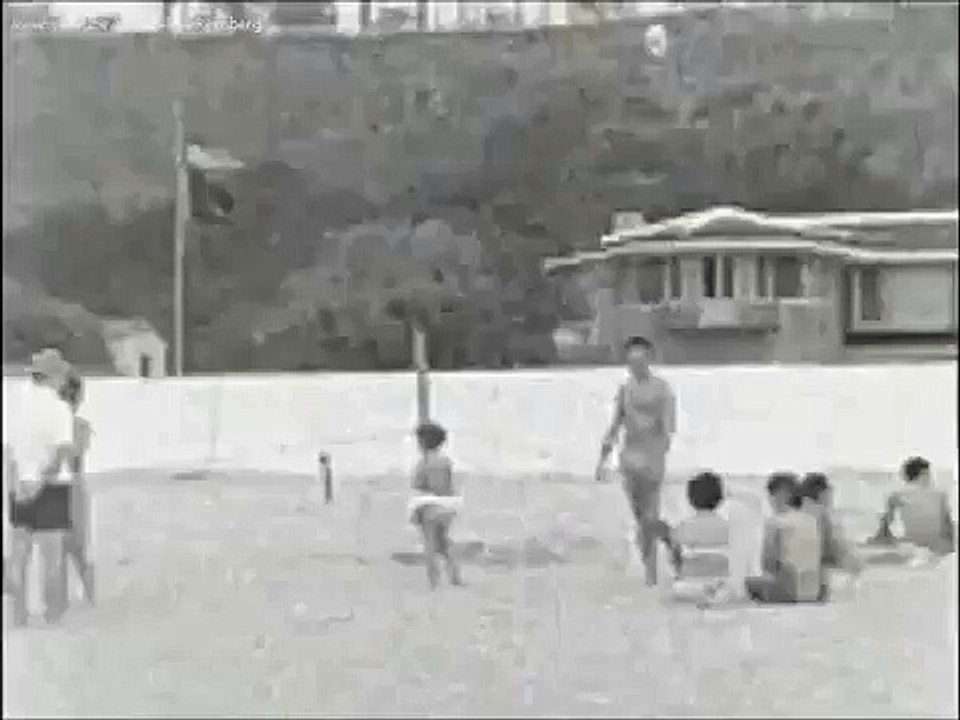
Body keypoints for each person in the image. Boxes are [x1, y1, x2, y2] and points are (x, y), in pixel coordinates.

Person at [5, 349, 80, 625]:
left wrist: (17, 485)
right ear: (52, 377)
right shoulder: (59, 408)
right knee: (51, 554)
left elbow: (9, 451)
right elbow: (62, 451)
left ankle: (18, 613)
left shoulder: (18, 406)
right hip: (50, 486)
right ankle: (53, 612)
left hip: (20, 482)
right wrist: (44, 479)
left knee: (20, 552)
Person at [597, 335, 676, 586]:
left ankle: (654, 567)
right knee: (641, 519)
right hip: (629, 461)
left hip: (651, 459)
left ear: (649, 359)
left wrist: (660, 451)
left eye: (640, 360)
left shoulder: (662, 389)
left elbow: (668, 427)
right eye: (631, 361)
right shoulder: (625, 390)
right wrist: (602, 459)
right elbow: (614, 425)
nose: (635, 365)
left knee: (649, 518)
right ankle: (663, 549)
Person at [745, 472, 823, 604]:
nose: (770, 501)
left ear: (780, 495)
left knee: (747, 583)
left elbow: (768, 564)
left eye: (771, 496)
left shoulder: (776, 523)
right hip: (812, 591)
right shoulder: (811, 520)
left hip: (789, 592)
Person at [407, 421, 463, 589]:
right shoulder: (445, 461)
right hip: (448, 505)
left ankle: (433, 580)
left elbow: (418, 484)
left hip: (430, 504)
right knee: (444, 542)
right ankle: (454, 575)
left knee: (429, 544)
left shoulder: (423, 462)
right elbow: (448, 483)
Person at [58, 364, 95, 604]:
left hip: (64, 486)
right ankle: (88, 596)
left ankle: (64, 600)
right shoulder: (80, 425)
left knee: (66, 548)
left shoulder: (75, 425)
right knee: (75, 549)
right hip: (73, 486)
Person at [870, 456, 955, 555]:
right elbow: (948, 527)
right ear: (924, 474)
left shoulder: (896, 496)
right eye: (929, 474)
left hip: (910, 545)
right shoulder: (940, 495)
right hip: (938, 547)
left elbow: (885, 529)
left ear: (906, 476)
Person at [798, 473, 862, 601]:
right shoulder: (822, 514)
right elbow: (838, 550)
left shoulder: (795, 513)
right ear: (823, 493)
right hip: (817, 586)